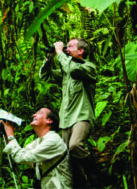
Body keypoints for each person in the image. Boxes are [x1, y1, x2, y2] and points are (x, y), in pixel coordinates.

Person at [39, 38, 102, 188]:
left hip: (82, 116)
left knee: (75, 146)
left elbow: (73, 70)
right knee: (67, 157)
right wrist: (49, 59)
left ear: (81, 51)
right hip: (66, 119)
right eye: (66, 46)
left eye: (70, 46)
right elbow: (45, 76)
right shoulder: (65, 71)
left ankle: (98, 181)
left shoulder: (88, 67)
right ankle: (80, 185)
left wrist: (60, 53)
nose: (67, 48)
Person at [0, 107, 72, 189]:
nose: (34, 115)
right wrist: (6, 133)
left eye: (39, 113)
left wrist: (10, 132)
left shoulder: (53, 141)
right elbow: (20, 153)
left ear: (49, 120)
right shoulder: (40, 141)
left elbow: (20, 157)